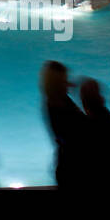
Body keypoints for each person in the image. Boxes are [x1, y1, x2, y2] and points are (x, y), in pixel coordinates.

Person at [41, 60, 89, 190]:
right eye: (64, 78)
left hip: (69, 165)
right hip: (73, 168)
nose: (67, 81)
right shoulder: (58, 105)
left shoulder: (58, 101)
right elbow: (75, 133)